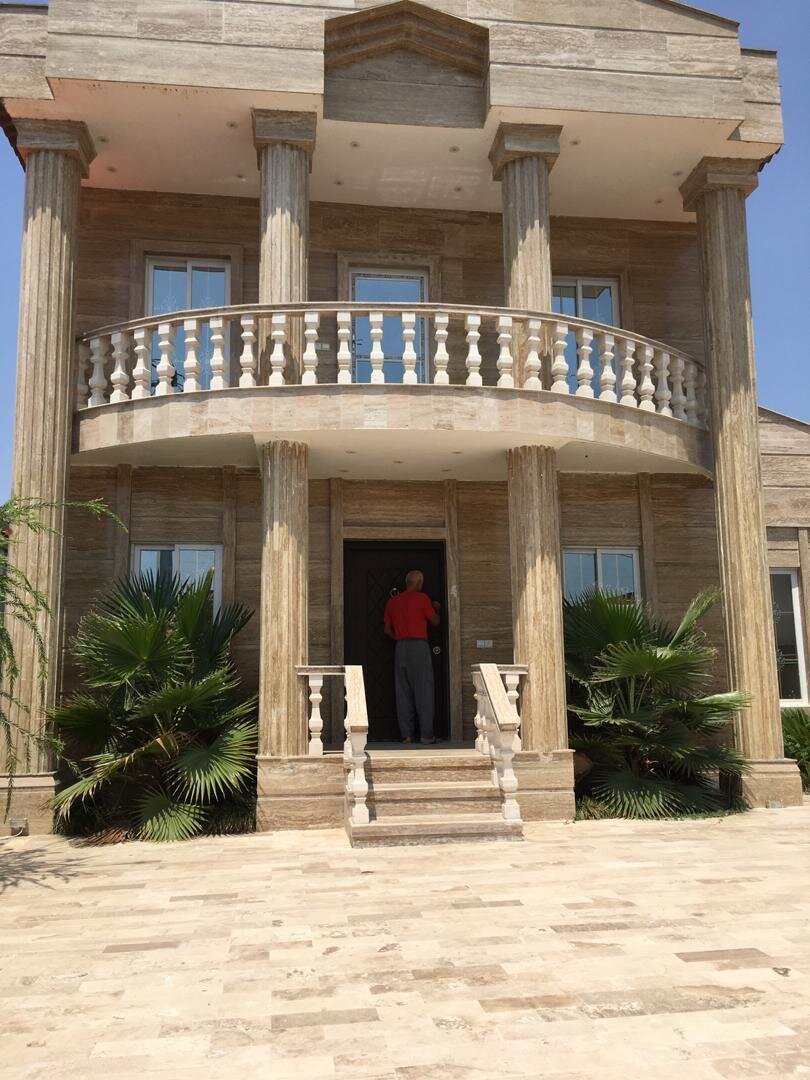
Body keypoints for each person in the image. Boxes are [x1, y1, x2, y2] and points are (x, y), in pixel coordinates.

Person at [383, 570, 441, 744]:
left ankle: (407, 735)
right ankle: (426, 735)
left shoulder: (393, 602)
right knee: (424, 690)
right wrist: (436, 608)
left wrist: (399, 638)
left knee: (403, 692)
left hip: (400, 647)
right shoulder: (422, 599)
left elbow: (386, 629)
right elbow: (435, 621)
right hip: (419, 646)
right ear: (419, 583)